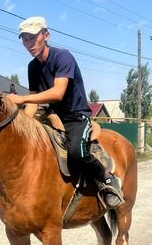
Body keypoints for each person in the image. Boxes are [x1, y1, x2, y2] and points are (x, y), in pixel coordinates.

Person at [7, 15, 123, 209]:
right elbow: (34, 101)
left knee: (77, 151)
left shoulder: (63, 57)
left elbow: (58, 93)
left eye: (33, 37)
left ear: (46, 35)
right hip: (52, 117)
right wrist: (23, 126)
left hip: (75, 116)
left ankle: (108, 180)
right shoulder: (32, 67)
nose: (29, 43)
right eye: (25, 39)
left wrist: (21, 98)